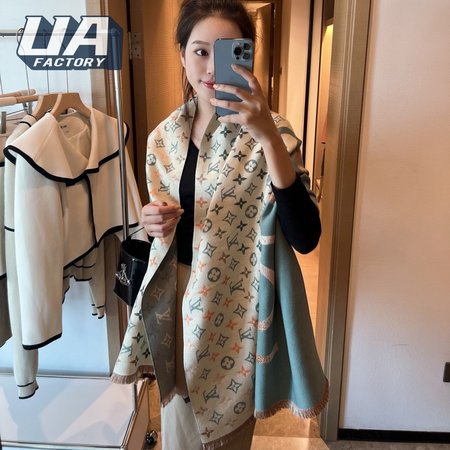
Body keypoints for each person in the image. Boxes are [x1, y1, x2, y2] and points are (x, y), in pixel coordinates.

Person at [111, 1, 328, 448]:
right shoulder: (163, 138)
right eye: (200, 51)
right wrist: (151, 221)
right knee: (179, 420)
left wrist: (266, 135)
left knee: (227, 427)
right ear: (181, 54)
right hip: (177, 296)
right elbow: (166, 225)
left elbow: (306, 237)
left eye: (227, 51)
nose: (211, 67)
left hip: (237, 303)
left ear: (248, 55)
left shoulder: (275, 132)